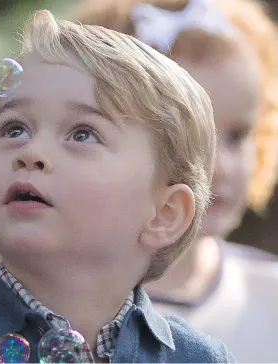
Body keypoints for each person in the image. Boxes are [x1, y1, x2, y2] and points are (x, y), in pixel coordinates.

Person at [0, 9, 234, 363]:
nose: (31, 152)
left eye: (83, 134)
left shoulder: (198, 357)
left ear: (164, 215)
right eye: (14, 129)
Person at [75, 0, 278, 361]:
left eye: (237, 135)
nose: (221, 166)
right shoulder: (64, 292)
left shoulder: (270, 293)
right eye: (194, 136)